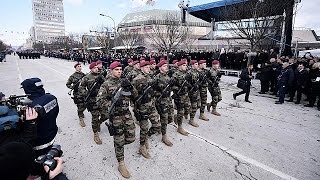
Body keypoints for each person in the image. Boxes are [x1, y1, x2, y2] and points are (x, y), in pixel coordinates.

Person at [97, 61, 136, 178]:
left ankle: (118, 145)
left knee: (131, 137)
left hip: (127, 114)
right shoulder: (106, 84)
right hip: (116, 116)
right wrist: (112, 103)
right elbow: (99, 101)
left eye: (120, 69)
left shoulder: (124, 81)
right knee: (119, 140)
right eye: (116, 70)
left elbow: (135, 95)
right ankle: (121, 163)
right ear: (111, 70)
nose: (119, 71)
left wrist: (130, 87)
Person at [132, 61, 160, 159]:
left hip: (151, 105)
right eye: (146, 67)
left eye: (149, 67)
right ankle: (142, 146)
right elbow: (132, 95)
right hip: (142, 108)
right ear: (142, 68)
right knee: (144, 127)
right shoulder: (137, 79)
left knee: (157, 125)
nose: (149, 68)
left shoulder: (151, 76)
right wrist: (136, 107)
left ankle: (146, 136)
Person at [78, 62, 105, 144]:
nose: (97, 69)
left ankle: (99, 123)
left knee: (106, 115)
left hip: (102, 99)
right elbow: (81, 87)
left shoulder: (101, 76)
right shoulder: (87, 77)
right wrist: (87, 94)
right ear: (91, 69)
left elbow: (106, 84)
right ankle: (95, 133)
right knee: (95, 117)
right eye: (95, 68)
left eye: (97, 67)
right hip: (92, 100)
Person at [153, 60, 174, 146]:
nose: (166, 67)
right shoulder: (156, 78)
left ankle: (160, 128)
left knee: (170, 118)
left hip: (168, 100)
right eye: (165, 66)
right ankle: (163, 135)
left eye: (167, 66)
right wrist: (160, 94)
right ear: (160, 67)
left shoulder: (168, 77)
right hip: (161, 101)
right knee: (164, 118)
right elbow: (152, 91)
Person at [171, 60, 190, 136]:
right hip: (179, 96)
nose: (185, 67)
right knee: (181, 111)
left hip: (186, 94)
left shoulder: (186, 73)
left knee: (188, 108)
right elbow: (171, 86)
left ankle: (176, 117)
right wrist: (178, 88)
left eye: (186, 65)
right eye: (184, 65)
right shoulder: (175, 75)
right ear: (179, 66)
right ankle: (180, 127)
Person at [66, 63, 86, 127]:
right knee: (80, 105)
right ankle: (80, 118)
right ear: (75, 68)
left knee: (85, 104)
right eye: (78, 66)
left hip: (84, 92)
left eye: (80, 66)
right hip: (77, 93)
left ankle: (81, 112)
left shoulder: (84, 75)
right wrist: (73, 87)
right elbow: (68, 84)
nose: (80, 67)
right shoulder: (72, 76)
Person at [187, 60, 200, 127]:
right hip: (191, 93)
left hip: (196, 92)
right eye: (195, 64)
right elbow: (186, 83)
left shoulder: (197, 72)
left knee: (197, 105)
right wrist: (191, 86)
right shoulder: (189, 73)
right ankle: (191, 120)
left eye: (197, 64)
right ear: (192, 65)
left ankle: (190, 118)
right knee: (191, 106)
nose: (197, 65)